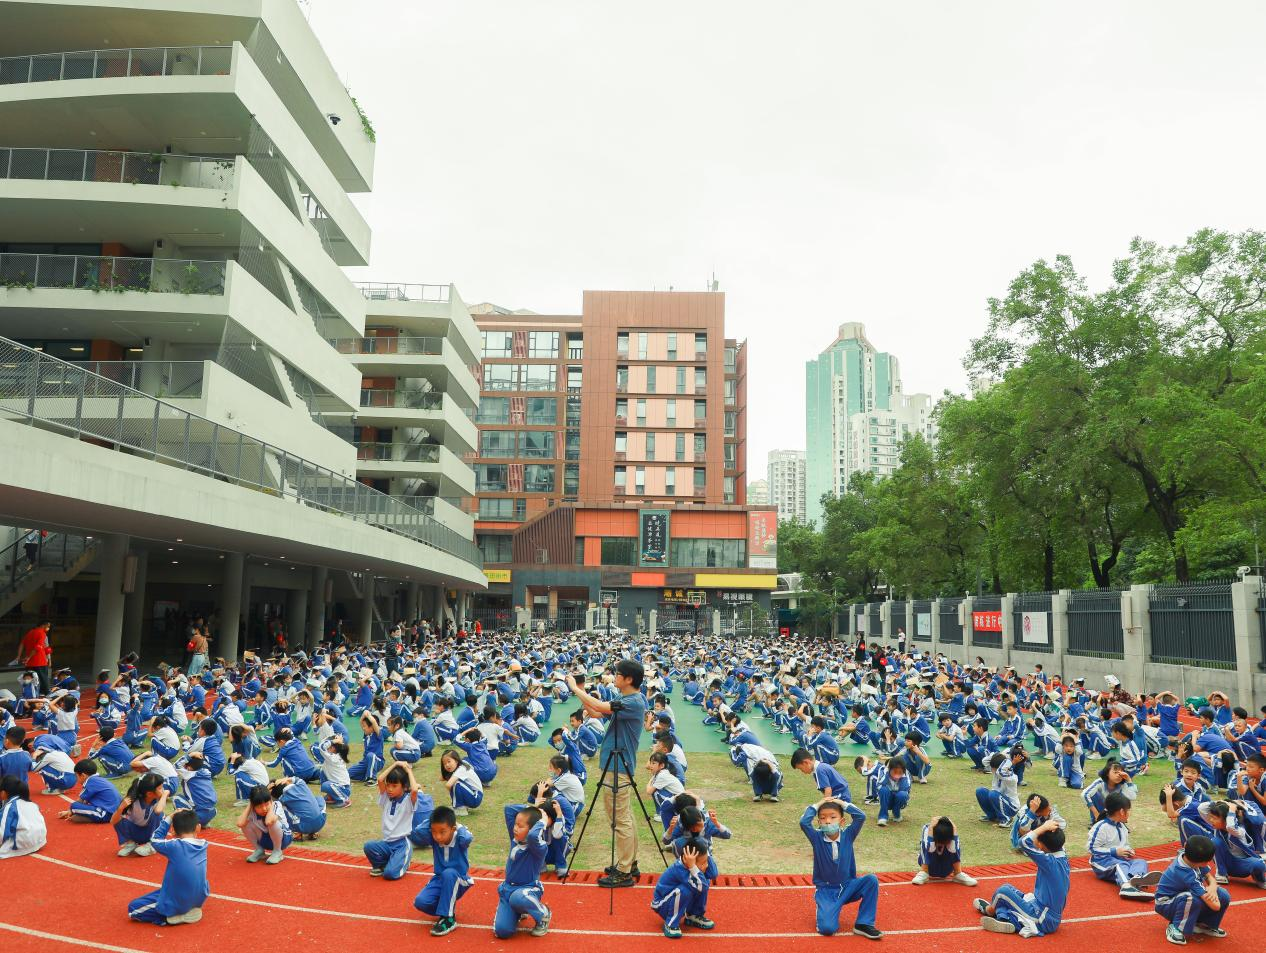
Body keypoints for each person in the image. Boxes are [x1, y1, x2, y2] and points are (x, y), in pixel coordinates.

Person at [566, 658, 647, 888]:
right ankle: (629, 863)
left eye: (618, 674)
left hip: (618, 766)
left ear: (629, 679)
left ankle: (623, 870)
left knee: (619, 819)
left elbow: (601, 708)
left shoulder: (634, 702)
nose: (614, 677)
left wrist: (574, 688)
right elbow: (596, 713)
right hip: (617, 764)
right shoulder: (627, 698)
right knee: (625, 817)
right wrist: (581, 693)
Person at [799, 797, 882, 940]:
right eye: (823, 818)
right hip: (827, 890)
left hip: (848, 886)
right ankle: (825, 909)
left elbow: (860, 816)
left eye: (833, 817)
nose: (828, 821)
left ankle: (863, 923)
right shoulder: (816, 838)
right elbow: (803, 822)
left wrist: (841, 803)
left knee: (871, 880)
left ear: (842, 821)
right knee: (827, 929)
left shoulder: (848, 835)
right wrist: (818, 804)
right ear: (819, 822)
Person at [974, 818, 1069, 937]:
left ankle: (990, 911)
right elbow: (1054, 840)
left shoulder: (1049, 862)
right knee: (1010, 889)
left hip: (1042, 918)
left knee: (1003, 892)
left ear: (1040, 845)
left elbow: (1023, 842)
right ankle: (1005, 919)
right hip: (1043, 910)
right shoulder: (1062, 856)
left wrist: (1044, 828)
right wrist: (1047, 827)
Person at [126, 808, 209, 925]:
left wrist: (169, 818)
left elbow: (154, 839)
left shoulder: (175, 846)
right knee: (166, 889)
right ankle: (187, 908)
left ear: (173, 831)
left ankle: (169, 917)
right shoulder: (204, 845)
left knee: (133, 909)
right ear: (198, 828)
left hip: (178, 901)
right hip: (198, 898)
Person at [1154, 834, 1230, 945]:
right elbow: (1216, 906)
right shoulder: (1185, 872)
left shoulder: (1189, 857)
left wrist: (1212, 888)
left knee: (1223, 895)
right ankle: (1176, 927)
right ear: (1204, 862)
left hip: (1182, 896)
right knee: (1191, 898)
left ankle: (1203, 924)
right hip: (1165, 903)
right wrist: (1211, 890)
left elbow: (1210, 878)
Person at [413, 805, 475, 937]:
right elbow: (418, 831)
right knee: (420, 902)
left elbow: (467, 838)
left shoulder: (460, 838)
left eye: (442, 832)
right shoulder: (434, 838)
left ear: (453, 829)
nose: (437, 837)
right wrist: (431, 820)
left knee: (449, 873)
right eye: (434, 832)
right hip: (440, 879)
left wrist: (458, 825)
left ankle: (449, 919)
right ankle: (446, 908)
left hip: (459, 879)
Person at [493, 804, 551, 938]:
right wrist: (534, 806)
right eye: (515, 824)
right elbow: (508, 809)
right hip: (508, 890)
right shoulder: (515, 839)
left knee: (518, 897)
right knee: (502, 932)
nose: (515, 828)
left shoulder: (538, 848)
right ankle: (519, 911)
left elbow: (533, 836)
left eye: (520, 826)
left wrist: (542, 820)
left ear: (532, 829)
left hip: (528, 889)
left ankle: (543, 914)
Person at [1088, 791, 1160, 900]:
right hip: (1101, 863)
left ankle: (1136, 879)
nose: (1129, 813)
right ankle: (1126, 886)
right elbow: (1091, 849)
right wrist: (1114, 852)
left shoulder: (1122, 827)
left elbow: (1125, 845)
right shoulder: (1101, 827)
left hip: (1119, 860)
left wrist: (1128, 851)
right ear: (1122, 811)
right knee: (1121, 865)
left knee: (1140, 862)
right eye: (1128, 810)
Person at [364, 761, 419, 880]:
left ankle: (404, 861)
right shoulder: (386, 798)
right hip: (387, 843)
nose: (389, 789)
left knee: (390, 874)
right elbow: (380, 779)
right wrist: (396, 764)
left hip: (401, 845)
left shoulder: (408, 801)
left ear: (404, 787)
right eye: (388, 785)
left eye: (394, 786)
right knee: (369, 846)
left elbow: (414, 790)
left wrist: (408, 770)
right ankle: (382, 865)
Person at [652, 839, 714, 938]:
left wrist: (707, 853)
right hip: (662, 905)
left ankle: (693, 915)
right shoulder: (680, 869)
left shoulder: (691, 866)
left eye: (706, 862)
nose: (706, 865)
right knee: (686, 890)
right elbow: (702, 887)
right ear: (687, 860)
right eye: (703, 863)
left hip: (672, 899)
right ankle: (670, 923)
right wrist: (693, 867)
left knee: (704, 880)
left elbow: (713, 874)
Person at [112, 772, 170, 857]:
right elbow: (113, 821)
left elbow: (158, 811)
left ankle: (152, 845)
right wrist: (120, 808)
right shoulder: (132, 801)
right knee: (119, 818)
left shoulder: (158, 799)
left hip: (151, 832)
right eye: (160, 788)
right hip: (137, 832)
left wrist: (164, 795)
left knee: (159, 815)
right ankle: (130, 843)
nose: (163, 790)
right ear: (149, 793)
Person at [912, 815, 978, 886]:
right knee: (924, 844)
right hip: (931, 866)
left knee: (956, 844)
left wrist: (954, 828)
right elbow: (930, 849)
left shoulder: (951, 830)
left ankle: (958, 873)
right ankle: (924, 872)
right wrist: (931, 828)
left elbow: (953, 849)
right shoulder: (927, 828)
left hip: (946, 868)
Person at [236, 783, 291, 865]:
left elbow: (269, 821)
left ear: (270, 801)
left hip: (283, 840)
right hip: (265, 840)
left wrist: (271, 803)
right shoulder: (252, 809)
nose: (264, 809)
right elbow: (240, 823)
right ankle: (259, 850)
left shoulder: (276, 805)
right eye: (259, 806)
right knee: (245, 823)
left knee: (272, 823)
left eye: (266, 804)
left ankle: (277, 852)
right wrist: (250, 804)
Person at [0, 775, 47, 859]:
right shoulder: (31, 803)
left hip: (23, 843)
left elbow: (2, 832)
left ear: (3, 792)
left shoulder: (10, 807)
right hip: (40, 840)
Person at [17, 621, 52, 695]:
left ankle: (30, 694)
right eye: (48, 626)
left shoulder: (30, 632)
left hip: (29, 663)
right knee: (43, 679)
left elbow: (22, 644)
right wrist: (29, 657)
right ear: (43, 625)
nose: (48, 628)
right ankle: (46, 694)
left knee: (29, 679)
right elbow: (39, 647)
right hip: (40, 661)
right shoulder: (42, 633)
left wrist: (18, 656)